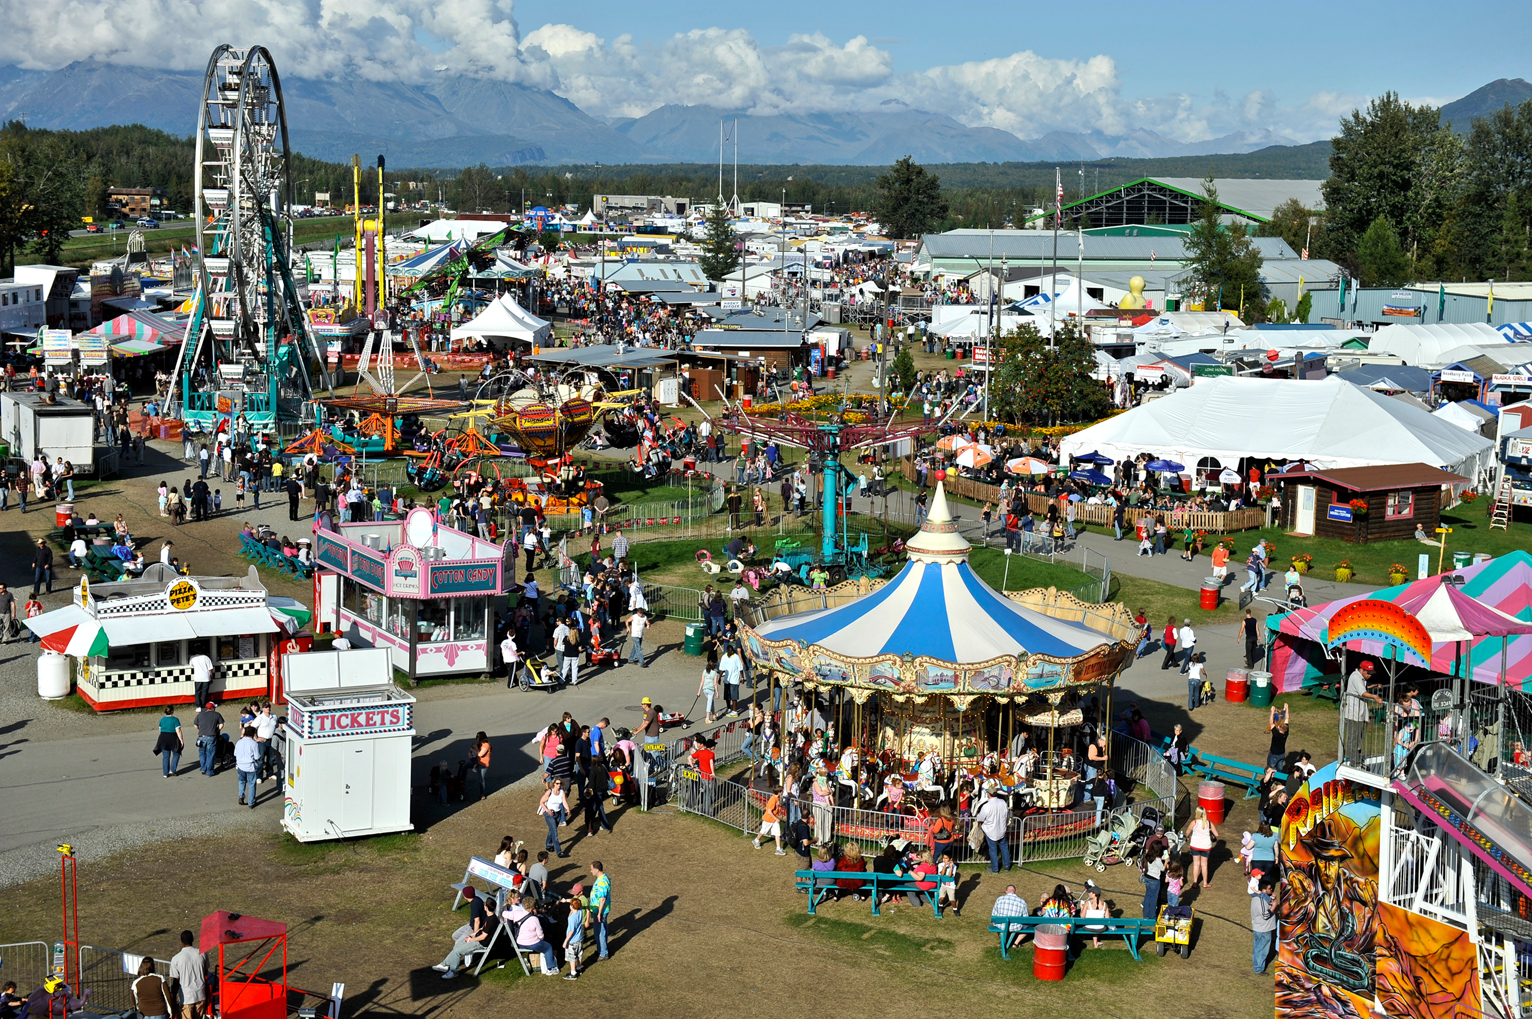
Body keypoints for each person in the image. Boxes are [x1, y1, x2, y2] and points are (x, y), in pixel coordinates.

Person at [434, 885, 490, 979]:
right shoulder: (477, 900)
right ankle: (466, 951)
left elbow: (477, 921)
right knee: (455, 935)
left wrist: (474, 935)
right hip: (470, 925)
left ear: (465, 896)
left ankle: (445, 965)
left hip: (474, 928)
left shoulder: (475, 903)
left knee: (457, 945)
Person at [1342, 661, 1383, 764]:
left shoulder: (1361, 678)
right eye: (1368, 673)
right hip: (1353, 714)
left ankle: (1358, 759)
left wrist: (1374, 685)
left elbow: (1364, 686)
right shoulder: (1356, 677)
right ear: (1362, 670)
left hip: (1359, 713)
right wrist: (1375, 696)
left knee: (1359, 738)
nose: (1369, 675)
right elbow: (1362, 692)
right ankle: (1354, 761)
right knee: (1354, 739)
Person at [168, 929, 206, 1019]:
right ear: (192, 939)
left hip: (186, 997)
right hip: (200, 994)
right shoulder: (202, 953)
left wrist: (173, 997)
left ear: (181, 941)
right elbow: (205, 971)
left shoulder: (176, 959)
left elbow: (176, 980)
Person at [975, 784, 1011, 873]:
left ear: (988, 794)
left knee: (993, 849)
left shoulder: (986, 806)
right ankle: (1007, 865)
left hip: (991, 830)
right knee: (1004, 847)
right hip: (1001, 828)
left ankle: (995, 868)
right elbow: (1007, 815)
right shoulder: (1003, 802)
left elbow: (980, 818)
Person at [1184, 805, 1219, 889]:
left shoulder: (1194, 822)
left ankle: (1195, 882)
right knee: (1204, 865)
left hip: (1195, 845)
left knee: (1196, 864)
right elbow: (1217, 834)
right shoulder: (1209, 823)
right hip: (1206, 846)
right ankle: (1205, 883)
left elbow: (1187, 832)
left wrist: (1187, 836)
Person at [1251, 871, 1278, 974]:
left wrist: (1272, 899)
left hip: (1259, 928)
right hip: (1263, 929)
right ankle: (1258, 968)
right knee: (1262, 950)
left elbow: (1266, 904)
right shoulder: (1260, 900)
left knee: (1258, 948)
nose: (1271, 890)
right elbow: (1265, 915)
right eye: (1269, 888)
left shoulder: (1259, 898)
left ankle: (1257, 966)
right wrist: (1274, 906)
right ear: (1263, 890)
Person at [991, 885, 1031, 951]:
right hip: (1016, 927)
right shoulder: (1022, 902)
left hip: (1001, 926)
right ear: (1015, 891)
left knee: (996, 922)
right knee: (1029, 925)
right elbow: (1026, 918)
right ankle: (1015, 943)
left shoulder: (999, 899)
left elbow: (994, 915)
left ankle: (1003, 940)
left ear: (1006, 891)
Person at [539, 778, 569, 857]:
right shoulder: (550, 792)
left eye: (560, 784)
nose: (558, 785)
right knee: (555, 833)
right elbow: (541, 802)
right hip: (549, 814)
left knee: (552, 830)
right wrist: (547, 811)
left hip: (558, 814)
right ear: (554, 784)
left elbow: (564, 802)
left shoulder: (562, 792)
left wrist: (568, 809)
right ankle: (559, 852)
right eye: (557, 783)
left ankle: (548, 845)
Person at [588, 861, 612, 961]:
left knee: (600, 931)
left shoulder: (602, 882)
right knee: (601, 930)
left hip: (600, 912)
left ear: (597, 870)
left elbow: (602, 899)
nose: (590, 871)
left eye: (591, 869)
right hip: (599, 910)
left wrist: (599, 913)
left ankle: (603, 953)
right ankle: (601, 949)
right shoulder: (602, 878)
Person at [193, 701, 224, 776]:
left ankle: (203, 768)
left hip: (201, 737)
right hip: (211, 736)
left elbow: (195, 725)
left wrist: (199, 730)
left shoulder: (200, 715)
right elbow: (221, 725)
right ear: (212, 708)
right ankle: (209, 771)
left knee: (202, 753)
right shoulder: (217, 714)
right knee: (210, 754)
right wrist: (218, 730)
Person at [753, 785, 786, 854]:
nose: (782, 792)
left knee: (777, 833)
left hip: (774, 819)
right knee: (763, 831)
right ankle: (756, 840)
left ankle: (778, 848)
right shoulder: (773, 800)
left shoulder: (778, 798)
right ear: (779, 792)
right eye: (782, 791)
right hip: (768, 819)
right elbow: (769, 811)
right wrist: (776, 818)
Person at [234, 726, 260, 807]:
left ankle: (241, 796)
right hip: (250, 766)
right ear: (253, 734)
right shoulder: (254, 743)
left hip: (240, 765)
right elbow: (257, 756)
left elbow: (235, 754)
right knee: (252, 784)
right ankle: (251, 802)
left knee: (242, 781)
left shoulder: (239, 742)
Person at [155, 705, 184, 778]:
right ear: (172, 711)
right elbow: (178, 731)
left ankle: (165, 773)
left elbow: (160, 729)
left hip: (163, 738)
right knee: (176, 753)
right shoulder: (175, 719)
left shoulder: (162, 719)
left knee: (166, 757)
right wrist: (181, 740)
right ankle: (172, 770)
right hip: (173, 738)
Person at [1266, 704, 1290, 771]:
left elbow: (1271, 723)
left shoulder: (1276, 734)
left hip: (1274, 754)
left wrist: (1272, 712)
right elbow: (1287, 719)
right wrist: (1287, 709)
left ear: (1280, 729)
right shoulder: (1286, 732)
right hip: (1282, 754)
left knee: (1270, 770)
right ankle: (1278, 780)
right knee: (1280, 770)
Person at [698, 653, 719, 724]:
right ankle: (707, 718)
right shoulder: (715, 673)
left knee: (711, 701)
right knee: (709, 703)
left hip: (705, 689)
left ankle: (714, 715)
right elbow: (715, 684)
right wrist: (717, 693)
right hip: (711, 690)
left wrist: (699, 691)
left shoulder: (704, 671)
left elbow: (702, 681)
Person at [472, 732, 492, 800]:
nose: (477, 739)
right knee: (465, 766)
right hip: (478, 762)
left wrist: (472, 750)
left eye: (478, 738)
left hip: (483, 764)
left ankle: (482, 794)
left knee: (481, 780)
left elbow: (480, 754)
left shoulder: (486, 745)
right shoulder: (480, 744)